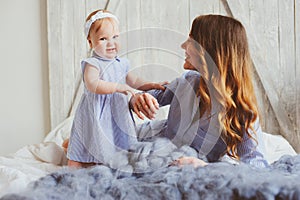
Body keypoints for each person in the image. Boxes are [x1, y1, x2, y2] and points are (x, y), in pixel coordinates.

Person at [130, 14, 268, 168]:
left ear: (207, 50)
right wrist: (136, 98)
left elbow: (258, 165)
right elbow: (149, 97)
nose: (183, 46)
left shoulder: (242, 112)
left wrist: (204, 167)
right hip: (151, 148)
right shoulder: (188, 81)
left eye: (190, 41)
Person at [67, 9, 166, 168]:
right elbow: (93, 84)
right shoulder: (93, 64)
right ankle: (77, 161)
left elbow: (134, 80)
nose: (111, 43)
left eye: (115, 37)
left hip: (117, 110)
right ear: (90, 42)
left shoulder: (122, 63)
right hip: (96, 111)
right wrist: (119, 87)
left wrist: (150, 85)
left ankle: (116, 162)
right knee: (89, 136)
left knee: (118, 137)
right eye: (103, 39)